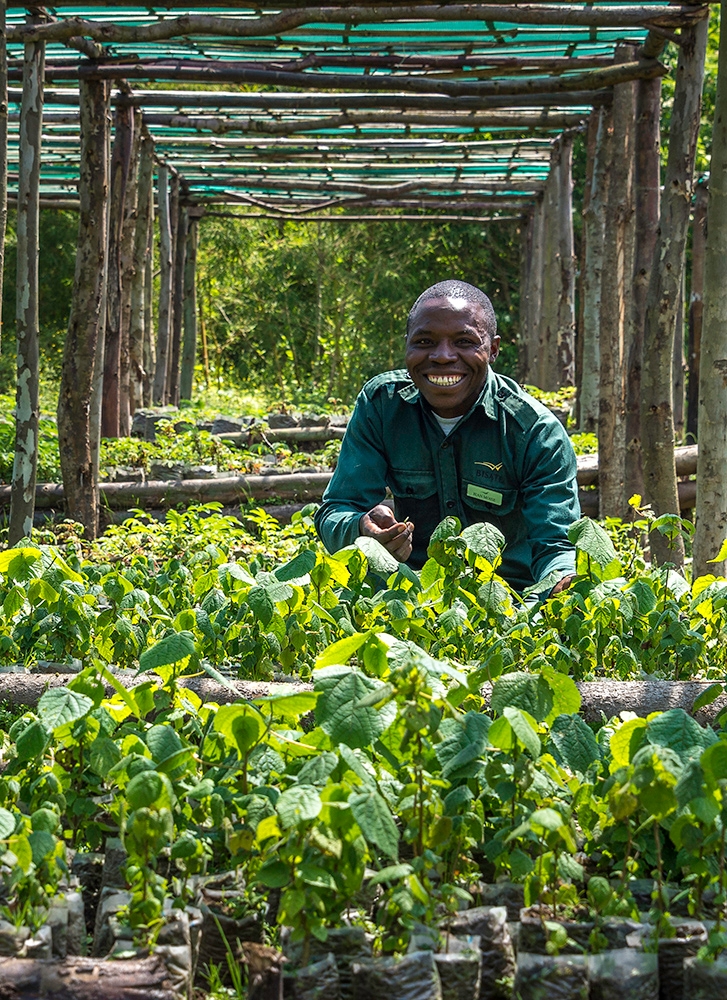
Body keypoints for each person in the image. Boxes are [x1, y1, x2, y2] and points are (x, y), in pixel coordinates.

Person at [314, 279, 580, 595]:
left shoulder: (534, 431)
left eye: (464, 342)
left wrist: (559, 585)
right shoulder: (383, 406)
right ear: (407, 345)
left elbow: (557, 545)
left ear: (492, 349)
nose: (442, 356)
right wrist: (360, 528)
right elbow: (337, 509)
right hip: (411, 597)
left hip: (511, 599)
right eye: (425, 342)